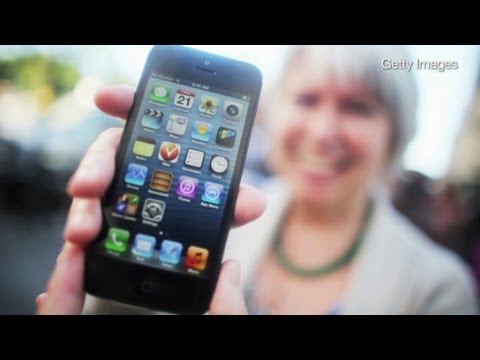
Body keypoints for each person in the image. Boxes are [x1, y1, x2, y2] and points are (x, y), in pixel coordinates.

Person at [37, 46, 478, 315]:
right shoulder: (220, 215)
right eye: (307, 99)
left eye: (357, 107)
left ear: (395, 132)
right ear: (274, 113)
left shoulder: (439, 290)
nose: (323, 133)